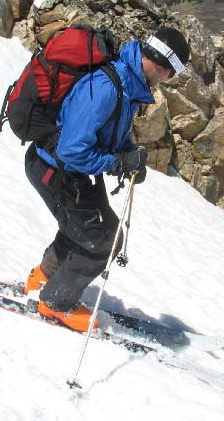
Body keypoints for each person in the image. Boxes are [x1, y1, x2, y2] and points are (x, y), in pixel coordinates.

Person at [23, 26, 191, 332]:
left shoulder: (127, 81)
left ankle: (44, 276)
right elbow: (72, 149)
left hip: (67, 172)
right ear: (160, 65)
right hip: (55, 171)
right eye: (172, 73)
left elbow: (110, 131)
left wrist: (129, 155)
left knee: (89, 229)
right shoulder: (106, 86)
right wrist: (116, 162)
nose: (169, 80)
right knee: (102, 242)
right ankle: (55, 302)